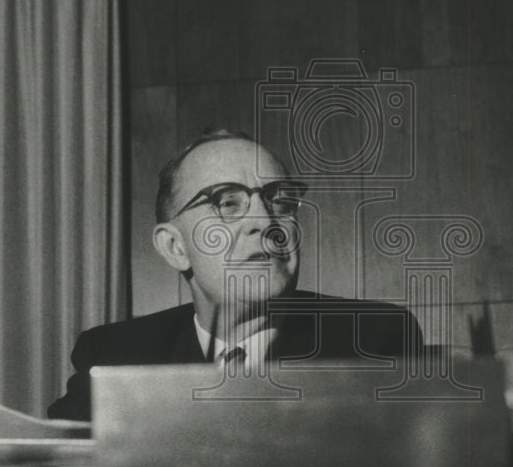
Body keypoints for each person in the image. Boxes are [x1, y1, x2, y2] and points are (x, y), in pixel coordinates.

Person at [48, 129, 422, 420]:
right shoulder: (117, 359)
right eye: (227, 202)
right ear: (175, 248)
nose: (264, 221)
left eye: (281, 201)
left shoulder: (372, 342)